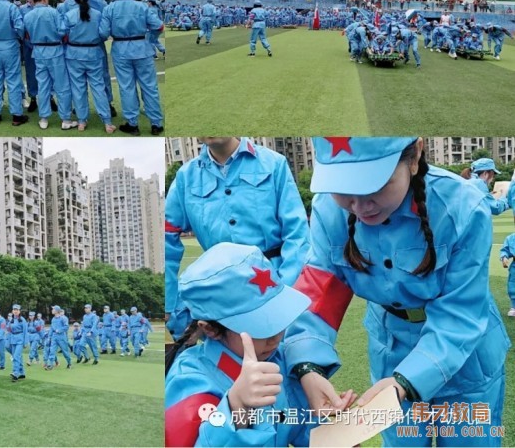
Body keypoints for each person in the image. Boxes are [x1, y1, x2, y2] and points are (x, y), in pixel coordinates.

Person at [284, 137, 510, 447]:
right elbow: (321, 291)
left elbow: (460, 313)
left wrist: (407, 381)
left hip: (466, 356)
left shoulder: (462, 206)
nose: (360, 206)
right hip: (390, 347)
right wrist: (307, 364)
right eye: (343, 188)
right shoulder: (328, 210)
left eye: (375, 185)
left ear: (415, 155)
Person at [165, 243, 313, 448]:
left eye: (278, 317)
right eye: (260, 327)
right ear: (210, 329)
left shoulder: (275, 357)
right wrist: (236, 408)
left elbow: (300, 422)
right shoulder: (190, 383)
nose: (276, 335)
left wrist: (334, 435)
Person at [165, 138, 310, 341]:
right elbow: (166, 238)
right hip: (222, 295)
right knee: (227, 365)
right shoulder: (186, 177)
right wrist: (170, 304)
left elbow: (298, 234)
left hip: (271, 282)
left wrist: (284, 292)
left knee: (279, 358)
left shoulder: (273, 163)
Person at [99, 0, 164, 135]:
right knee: (149, 87)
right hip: (142, 48)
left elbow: (103, 33)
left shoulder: (109, 8)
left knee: (127, 87)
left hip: (121, 49)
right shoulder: (142, 7)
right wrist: (150, 39)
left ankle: (132, 124)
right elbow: (159, 26)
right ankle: (156, 124)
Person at [60, 0, 115, 132]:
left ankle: (82, 121)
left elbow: (62, 33)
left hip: (73, 54)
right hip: (94, 53)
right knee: (98, 87)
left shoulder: (69, 15)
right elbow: (104, 33)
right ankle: (107, 122)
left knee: (78, 89)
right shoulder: (98, 14)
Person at [23, 0, 76, 131]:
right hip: (55, 51)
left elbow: (25, 34)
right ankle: (65, 118)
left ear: (32, 0)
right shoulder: (54, 12)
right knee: (62, 86)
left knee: (43, 85)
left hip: (38, 52)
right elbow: (62, 30)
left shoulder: (28, 16)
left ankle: (44, 118)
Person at [7, 304, 28, 381]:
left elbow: (25, 331)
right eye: (14, 310)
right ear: (12, 311)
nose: (15, 311)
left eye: (17, 310)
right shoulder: (11, 320)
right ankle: (22, 373)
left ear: (19, 311)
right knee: (19, 357)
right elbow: (9, 331)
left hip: (20, 339)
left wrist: (25, 342)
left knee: (16, 356)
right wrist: (8, 340)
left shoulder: (22, 320)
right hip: (13, 339)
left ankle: (16, 373)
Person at [499, 232, 515, 318]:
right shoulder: (511, 238)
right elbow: (505, 250)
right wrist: (504, 257)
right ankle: (514, 307)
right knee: (513, 286)